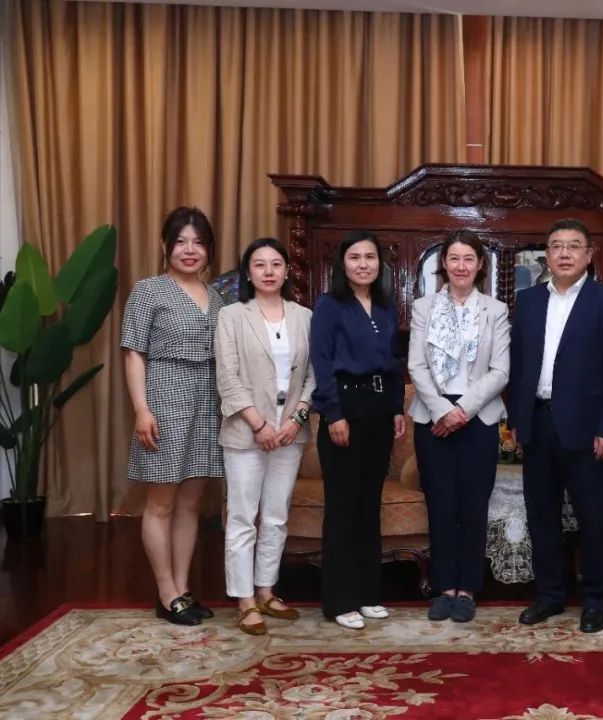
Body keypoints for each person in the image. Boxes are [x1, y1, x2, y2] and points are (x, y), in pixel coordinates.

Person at [506, 218, 603, 633]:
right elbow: (518, 366)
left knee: (592, 519)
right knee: (541, 517)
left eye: (574, 246)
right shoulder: (528, 301)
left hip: (589, 430)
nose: (564, 253)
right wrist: (518, 421)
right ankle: (549, 596)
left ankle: (595, 599)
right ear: (546, 254)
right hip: (538, 425)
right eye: (557, 245)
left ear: (589, 254)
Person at [122, 206, 225, 626]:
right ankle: (165, 593)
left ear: (209, 249)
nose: (189, 249)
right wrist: (141, 409)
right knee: (161, 502)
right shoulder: (148, 290)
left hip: (208, 401)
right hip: (164, 396)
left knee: (191, 501)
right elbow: (134, 352)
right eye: (180, 241)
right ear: (166, 246)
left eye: (198, 242)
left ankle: (182, 589)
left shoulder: (217, 298)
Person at [408, 230, 510, 623]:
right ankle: (443, 588)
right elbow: (416, 365)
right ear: (444, 263)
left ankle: (467, 589)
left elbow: (501, 370)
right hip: (432, 417)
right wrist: (442, 411)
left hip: (478, 416)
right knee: (440, 503)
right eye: (454, 258)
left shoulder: (495, 310)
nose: (461, 266)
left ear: (480, 264)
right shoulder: (423, 307)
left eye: (469, 258)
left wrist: (462, 410)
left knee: (473, 504)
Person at [216, 237, 315, 636]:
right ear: (248, 272)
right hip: (246, 432)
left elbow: (314, 376)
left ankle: (266, 592)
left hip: (290, 433)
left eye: (276, 264)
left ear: (287, 270)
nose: (269, 271)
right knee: (243, 517)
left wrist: (296, 419)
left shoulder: (305, 317)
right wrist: (259, 424)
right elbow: (227, 376)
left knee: (276, 515)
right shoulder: (232, 316)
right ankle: (243, 600)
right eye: (260, 264)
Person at [310, 231, 407, 630]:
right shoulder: (329, 306)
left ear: (379, 264)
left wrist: (397, 407)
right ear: (342, 263)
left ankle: (367, 594)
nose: (363, 264)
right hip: (344, 410)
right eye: (355, 257)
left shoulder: (385, 306)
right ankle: (340, 599)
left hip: (380, 411)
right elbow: (321, 363)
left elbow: (394, 361)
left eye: (370, 257)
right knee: (343, 507)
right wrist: (333, 414)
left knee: (369, 506)